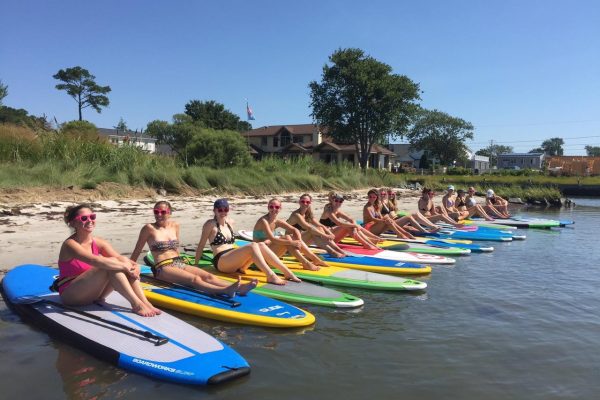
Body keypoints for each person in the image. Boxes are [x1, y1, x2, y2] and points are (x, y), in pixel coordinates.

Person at [130, 201, 255, 297]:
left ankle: (240, 288)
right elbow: (137, 250)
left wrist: (185, 265)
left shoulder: (175, 225)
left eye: (163, 212)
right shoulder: (148, 228)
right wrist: (130, 270)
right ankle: (224, 290)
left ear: (169, 213)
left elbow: (175, 249)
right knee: (194, 279)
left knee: (208, 276)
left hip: (178, 263)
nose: (159, 215)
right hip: (162, 268)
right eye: (156, 212)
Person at [56, 204, 159, 317]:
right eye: (84, 218)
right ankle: (136, 304)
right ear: (73, 223)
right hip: (71, 296)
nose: (89, 220)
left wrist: (134, 266)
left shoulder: (98, 242)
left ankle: (145, 302)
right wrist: (124, 266)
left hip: (95, 293)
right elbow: (95, 261)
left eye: (92, 217)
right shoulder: (69, 245)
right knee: (110, 265)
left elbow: (121, 258)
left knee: (118, 262)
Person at [195, 199, 300, 285]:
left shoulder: (230, 222)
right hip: (221, 261)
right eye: (220, 210)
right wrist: (196, 266)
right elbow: (201, 245)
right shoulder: (210, 224)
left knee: (261, 244)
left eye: (225, 209)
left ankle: (287, 273)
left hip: (233, 259)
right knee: (253, 245)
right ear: (215, 211)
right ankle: (270, 276)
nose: (223, 212)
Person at [252, 198, 328, 271]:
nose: (274, 209)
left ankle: (315, 259)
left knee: (289, 237)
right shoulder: (263, 221)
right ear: (268, 208)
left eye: (277, 207)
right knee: (287, 238)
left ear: (280, 208)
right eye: (271, 207)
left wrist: (298, 240)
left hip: (269, 254)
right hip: (259, 258)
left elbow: (294, 230)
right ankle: (306, 263)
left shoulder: (277, 221)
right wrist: (292, 242)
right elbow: (272, 239)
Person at [286, 193, 347, 258]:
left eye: (307, 202)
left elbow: (320, 225)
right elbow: (309, 228)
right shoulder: (296, 215)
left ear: (310, 203)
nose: (305, 204)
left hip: (302, 241)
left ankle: (338, 250)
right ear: (299, 202)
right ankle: (332, 251)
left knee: (319, 228)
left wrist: (329, 233)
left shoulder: (307, 214)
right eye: (303, 201)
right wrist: (325, 235)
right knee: (312, 232)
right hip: (291, 245)